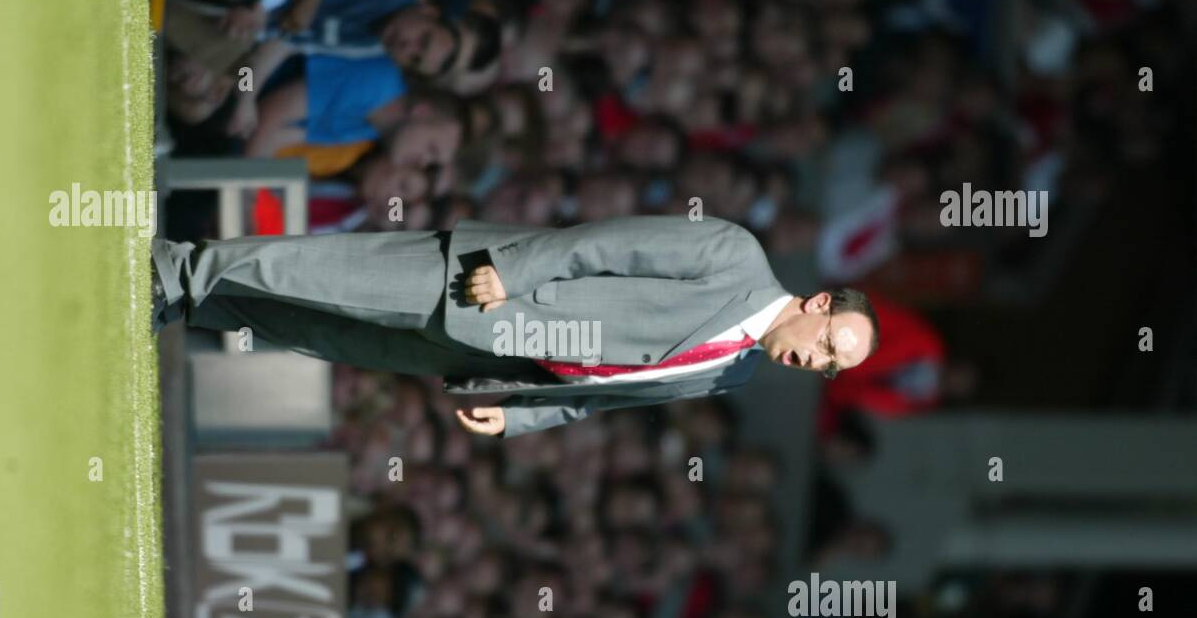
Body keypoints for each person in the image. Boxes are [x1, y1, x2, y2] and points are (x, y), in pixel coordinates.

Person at [151, 216, 880, 436]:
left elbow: (606, 393)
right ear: (819, 304)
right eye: (827, 345)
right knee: (317, 275)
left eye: (829, 367)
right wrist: (517, 270)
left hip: (498, 356)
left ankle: (188, 303)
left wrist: (518, 417)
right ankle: (174, 269)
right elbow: (609, 240)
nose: (816, 361)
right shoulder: (735, 254)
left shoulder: (737, 369)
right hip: (491, 291)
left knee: (324, 333)